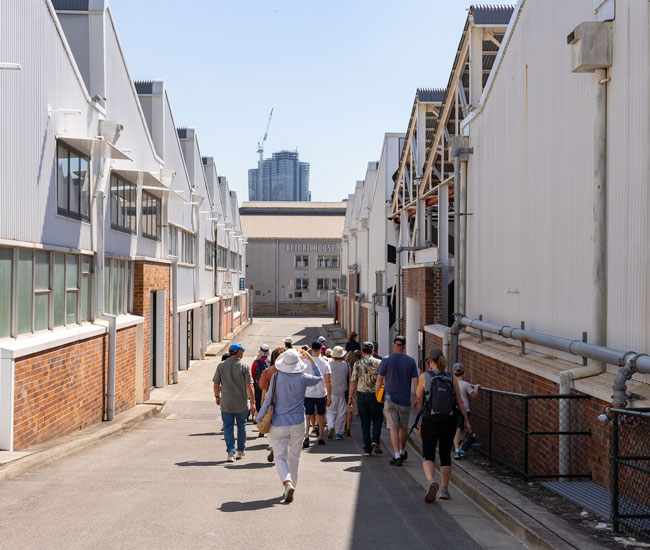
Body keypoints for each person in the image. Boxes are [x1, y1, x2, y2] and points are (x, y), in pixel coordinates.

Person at [257, 349, 323, 503]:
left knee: (280, 457)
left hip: (278, 423)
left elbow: (268, 400)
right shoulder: (303, 378)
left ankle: (287, 483)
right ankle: (291, 485)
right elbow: (319, 377)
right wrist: (311, 361)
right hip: (298, 423)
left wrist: (260, 417)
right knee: (294, 457)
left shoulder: (277, 377)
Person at [416, 349, 470, 503]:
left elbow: (418, 397)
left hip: (430, 420)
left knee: (428, 453)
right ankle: (445, 489)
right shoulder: (451, 378)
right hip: (449, 421)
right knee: (445, 454)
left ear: (430, 362)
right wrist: (466, 421)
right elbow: (459, 401)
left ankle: (432, 481)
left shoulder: (424, 377)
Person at [376, 335, 419, 466]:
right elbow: (416, 382)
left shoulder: (386, 360)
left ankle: (396, 455)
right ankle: (402, 450)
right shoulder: (411, 361)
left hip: (390, 398)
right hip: (405, 399)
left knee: (393, 427)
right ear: (404, 347)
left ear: (394, 345)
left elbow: (379, 380)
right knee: (403, 427)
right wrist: (417, 398)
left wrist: (377, 395)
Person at [213, 343, 256, 463]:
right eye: (242, 350)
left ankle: (230, 452)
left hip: (226, 402)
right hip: (241, 403)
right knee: (242, 426)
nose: (243, 352)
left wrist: (217, 396)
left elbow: (216, 384)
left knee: (228, 427)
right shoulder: (244, 367)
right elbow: (249, 386)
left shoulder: (221, 366)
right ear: (238, 352)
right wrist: (253, 403)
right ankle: (240, 450)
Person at [348, 342, 383, 456]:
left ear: (362, 351)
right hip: (375, 395)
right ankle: (375, 440)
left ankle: (367, 449)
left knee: (365, 422)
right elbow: (383, 380)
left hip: (362, 395)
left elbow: (353, 382)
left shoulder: (357, 364)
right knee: (377, 419)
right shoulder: (379, 363)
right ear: (373, 351)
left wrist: (350, 397)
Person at [303, 341, 332, 448]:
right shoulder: (325, 363)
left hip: (307, 393)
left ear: (312, 349)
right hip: (321, 393)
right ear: (321, 350)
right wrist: (329, 395)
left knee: (307, 415)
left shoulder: (305, 362)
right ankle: (320, 437)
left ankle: (306, 435)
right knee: (321, 414)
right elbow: (328, 381)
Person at [452, 363, 480, 459]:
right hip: (466, 408)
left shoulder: (452, 383)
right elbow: (474, 395)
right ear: (463, 373)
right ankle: (462, 449)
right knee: (464, 429)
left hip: (455, 408)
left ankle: (456, 451)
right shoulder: (466, 384)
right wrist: (476, 387)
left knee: (457, 429)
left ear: (453, 373)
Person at [326, 346, 349, 439]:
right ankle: (339, 432)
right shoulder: (346, 365)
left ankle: (331, 426)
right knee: (341, 412)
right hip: (343, 391)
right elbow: (350, 378)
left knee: (331, 411)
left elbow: (327, 380)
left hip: (332, 390)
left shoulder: (329, 364)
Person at [345, 349, 362, 436]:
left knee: (343, 411)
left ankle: (343, 427)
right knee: (349, 410)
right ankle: (348, 428)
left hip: (345, 389)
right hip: (353, 390)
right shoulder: (357, 366)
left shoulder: (345, 366)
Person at [252, 344, 270, 412]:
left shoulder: (256, 363)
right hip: (268, 387)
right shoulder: (270, 362)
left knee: (258, 401)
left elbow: (253, 374)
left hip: (258, 386)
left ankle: (259, 416)